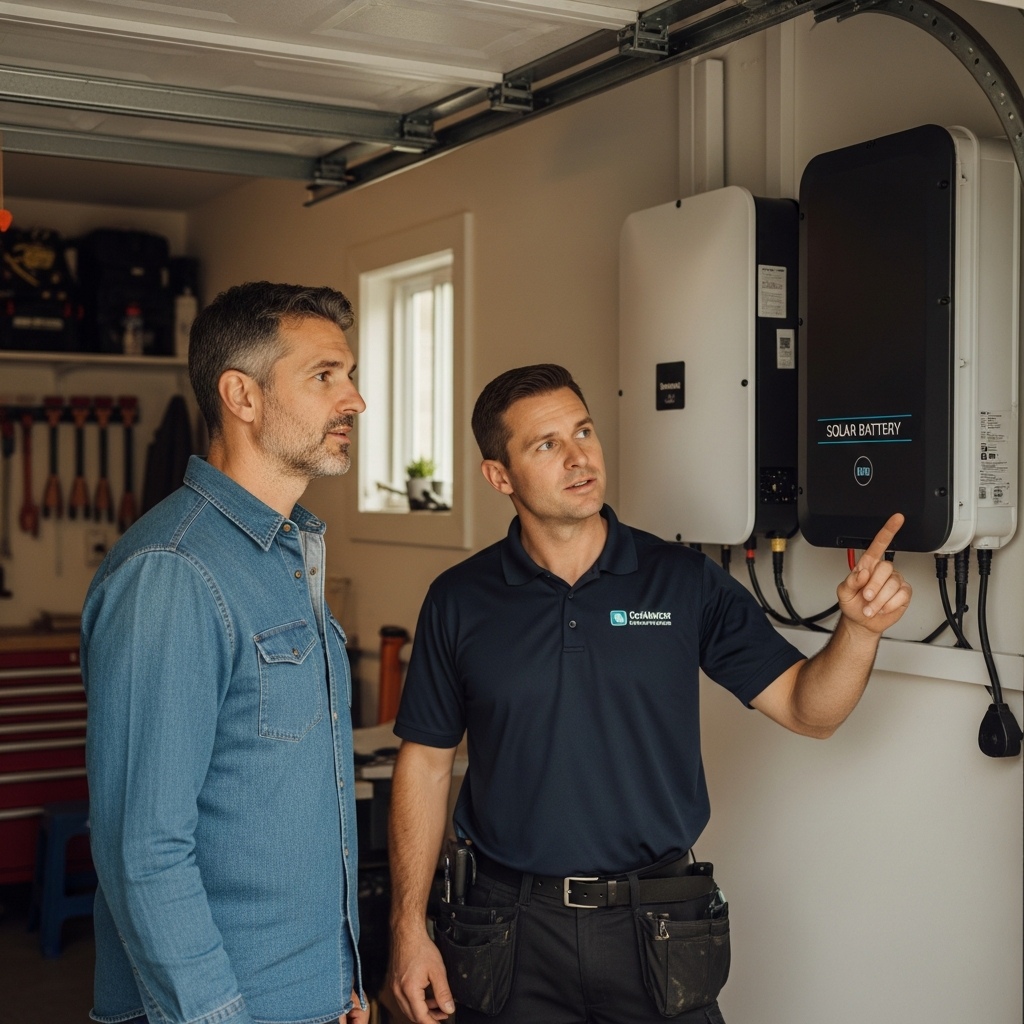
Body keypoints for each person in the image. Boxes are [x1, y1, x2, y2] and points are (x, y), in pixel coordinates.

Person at [387, 363, 912, 1024]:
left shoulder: (682, 583)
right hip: (507, 926)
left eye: (583, 431)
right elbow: (426, 764)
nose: (579, 457)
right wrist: (408, 929)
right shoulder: (459, 600)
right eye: (546, 444)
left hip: (659, 923)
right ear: (501, 476)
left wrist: (859, 632)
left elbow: (812, 712)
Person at [83, 282, 369, 1024]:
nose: (355, 402)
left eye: (352, 375)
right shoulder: (174, 572)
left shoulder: (285, 555)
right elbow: (142, 850)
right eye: (325, 376)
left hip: (312, 998)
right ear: (241, 395)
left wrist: (345, 983)